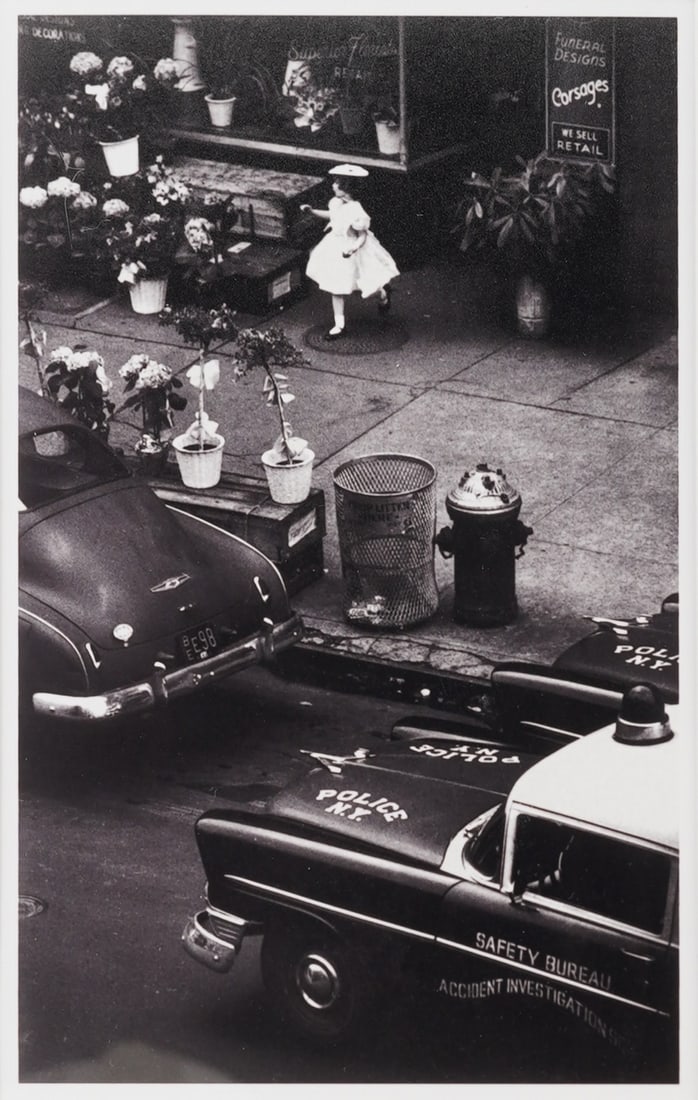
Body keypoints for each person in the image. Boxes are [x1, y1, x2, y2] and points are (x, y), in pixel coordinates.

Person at [300, 164, 400, 341]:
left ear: (345, 188)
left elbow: (362, 236)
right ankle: (339, 325)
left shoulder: (356, 211)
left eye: (337, 183)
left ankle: (383, 294)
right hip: (336, 247)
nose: (333, 185)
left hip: (354, 251)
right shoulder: (336, 203)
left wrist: (353, 248)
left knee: (366, 285)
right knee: (336, 286)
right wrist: (312, 211)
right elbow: (332, 215)